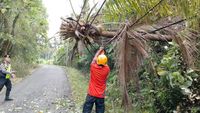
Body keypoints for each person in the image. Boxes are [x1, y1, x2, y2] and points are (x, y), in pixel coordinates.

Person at [83, 47, 110, 113]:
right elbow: (104, 63)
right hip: (100, 96)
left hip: (91, 94)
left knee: (86, 110)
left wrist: (100, 50)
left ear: (98, 61)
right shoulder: (107, 69)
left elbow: (94, 59)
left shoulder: (93, 67)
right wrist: (103, 54)